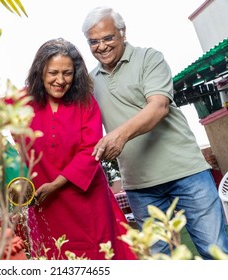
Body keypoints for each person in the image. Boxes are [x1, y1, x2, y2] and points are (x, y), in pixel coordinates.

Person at [82, 6, 228, 259]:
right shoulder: (91, 81)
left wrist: (120, 135)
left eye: (108, 38)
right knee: (161, 262)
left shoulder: (149, 58)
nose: (102, 46)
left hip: (186, 173)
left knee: (215, 253)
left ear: (123, 33)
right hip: (140, 185)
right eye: (94, 42)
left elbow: (158, 106)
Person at [19, 38, 136, 260]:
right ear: (40, 71)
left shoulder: (86, 103)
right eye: (53, 72)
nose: (60, 81)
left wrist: (54, 185)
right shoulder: (22, 100)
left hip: (88, 200)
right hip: (47, 206)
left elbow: (90, 151)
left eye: (67, 73)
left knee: (100, 256)